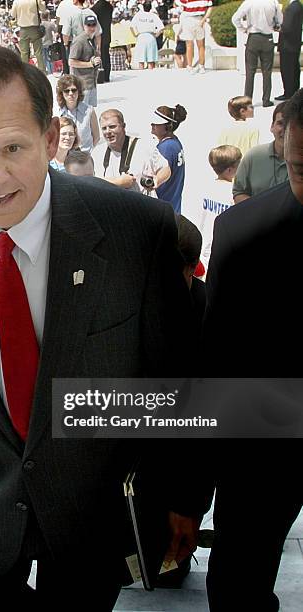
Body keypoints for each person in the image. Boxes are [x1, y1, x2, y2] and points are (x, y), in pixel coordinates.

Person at [0, 44, 203, 609]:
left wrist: (183, 496)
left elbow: (172, 376)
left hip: (90, 510)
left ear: (53, 138)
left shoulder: (134, 229)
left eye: (13, 147)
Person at [202, 87, 303, 612]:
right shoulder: (242, 233)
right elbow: (217, 361)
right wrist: (191, 489)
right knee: (238, 585)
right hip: (264, 442)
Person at [95, 108, 171, 196]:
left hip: (144, 206)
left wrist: (157, 179)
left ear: (123, 126)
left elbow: (166, 169)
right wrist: (119, 182)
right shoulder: (97, 153)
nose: (108, 131)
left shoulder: (143, 146)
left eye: (112, 127)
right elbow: (91, 181)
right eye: (104, 128)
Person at [197, 144, 242, 272]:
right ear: (229, 170)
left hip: (204, 247)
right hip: (223, 250)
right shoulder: (234, 192)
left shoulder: (206, 187)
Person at [233, 101, 288, 202]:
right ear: (272, 126)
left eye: (291, 125)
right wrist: (261, 211)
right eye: (281, 123)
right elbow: (239, 192)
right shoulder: (253, 156)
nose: (286, 129)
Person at [232, 0, 283, 107]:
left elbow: (235, 19)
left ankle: (247, 102)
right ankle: (266, 100)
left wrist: (243, 29)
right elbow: (280, 20)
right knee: (267, 72)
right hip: (267, 38)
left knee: (250, 72)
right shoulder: (273, 2)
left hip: (253, 38)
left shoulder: (249, 2)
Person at [152, 104, 188, 213]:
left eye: (157, 123)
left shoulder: (165, 148)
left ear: (168, 127)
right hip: (174, 206)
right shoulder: (175, 142)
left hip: (163, 208)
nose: (152, 125)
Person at [56, 74, 100, 152]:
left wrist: (88, 153)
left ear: (79, 91)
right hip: (65, 158)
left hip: (85, 157)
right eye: (66, 91)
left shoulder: (89, 111)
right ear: (61, 93)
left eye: (73, 90)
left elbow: (96, 137)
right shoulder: (58, 113)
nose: (70, 93)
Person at [69, 15, 101, 107]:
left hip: (92, 83)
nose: (91, 27)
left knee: (91, 113)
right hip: (82, 85)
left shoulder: (92, 39)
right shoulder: (79, 41)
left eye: (93, 25)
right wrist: (90, 64)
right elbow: (71, 62)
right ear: (84, 26)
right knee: (82, 113)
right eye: (89, 25)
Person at [276, 0, 303, 101]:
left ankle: (288, 93)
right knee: (294, 69)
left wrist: (278, 26)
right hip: (295, 43)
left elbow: (287, 27)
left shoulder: (292, 8)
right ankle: (294, 91)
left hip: (287, 44)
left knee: (287, 70)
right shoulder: (298, 6)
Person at [176, 0, 212, 74]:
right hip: (200, 19)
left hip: (188, 19)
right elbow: (210, 8)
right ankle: (201, 66)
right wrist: (204, 19)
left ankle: (190, 66)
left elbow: (178, 4)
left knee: (189, 45)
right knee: (201, 45)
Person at [11, 0, 47, 72]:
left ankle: (25, 71)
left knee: (24, 52)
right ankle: (42, 71)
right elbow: (43, 10)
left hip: (23, 29)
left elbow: (13, 15)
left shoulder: (17, 1)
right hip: (34, 28)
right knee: (38, 52)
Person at [130, 2, 164, 70]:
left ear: (143, 7)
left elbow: (131, 26)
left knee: (141, 60)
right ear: (151, 8)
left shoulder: (138, 15)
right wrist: (156, 35)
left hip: (141, 37)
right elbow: (161, 28)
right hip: (151, 37)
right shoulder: (153, 15)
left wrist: (135, 35)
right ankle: (150, 76)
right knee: (150, 60)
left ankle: (141, 75)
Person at [91, 0, 113, 82]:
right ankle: (107, 76)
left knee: (98, 55)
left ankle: (99, 76)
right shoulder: (109, 7)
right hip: (107, 34)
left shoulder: (94, 8)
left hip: (97, 35)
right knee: (106, 55)